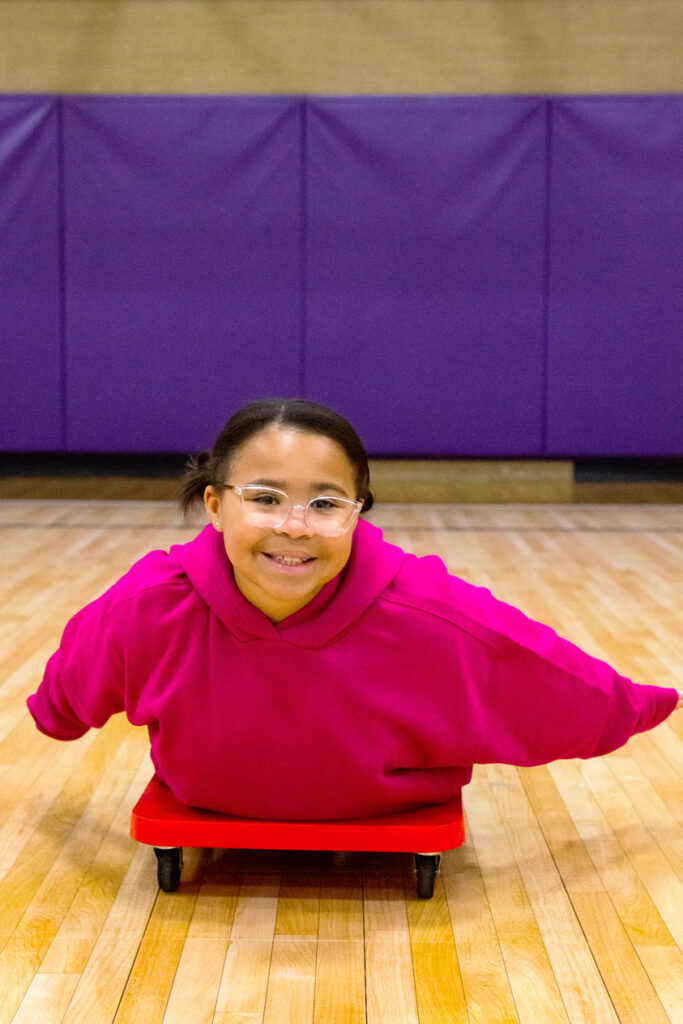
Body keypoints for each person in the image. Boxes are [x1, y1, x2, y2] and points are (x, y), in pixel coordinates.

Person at [27, 398, 682, 821]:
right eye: (264, 497)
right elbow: (62, 698)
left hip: (390, 815)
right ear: (215, 504)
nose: (294, 526)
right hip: (205, 806)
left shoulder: (431, 612)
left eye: (325, 503)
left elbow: (548, 677)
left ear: (357, 511)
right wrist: (53, 714)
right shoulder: (147, 606)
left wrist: (642, 703)